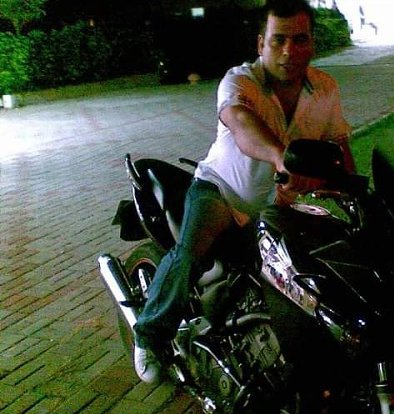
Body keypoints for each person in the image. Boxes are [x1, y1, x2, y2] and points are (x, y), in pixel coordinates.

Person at [133, 0, 355, 384]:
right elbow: (242, 124)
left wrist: (352, 188)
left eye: (299, 39)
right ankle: (150, 335)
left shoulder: (325, 89)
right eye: (278, 40)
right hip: (222, 191)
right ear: (260, 43)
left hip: (276, 208)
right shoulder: (239, 82)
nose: (289, 50)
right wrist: (280, 158)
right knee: (190, 253)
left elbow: (339, 145)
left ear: (312, 44)